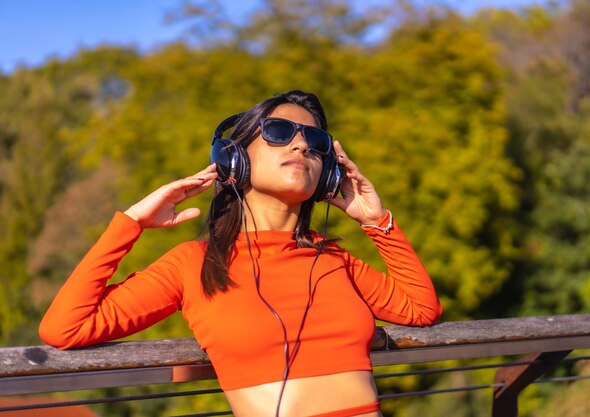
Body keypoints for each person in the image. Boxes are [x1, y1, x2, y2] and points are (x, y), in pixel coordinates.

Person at [40, 90, 443, 417]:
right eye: (280, 131)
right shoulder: (193, 265)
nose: (301, 143)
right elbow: (65, 329)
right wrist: (131, 222)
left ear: (328, 173)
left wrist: (377, 221)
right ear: (234, 159)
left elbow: (420, 310)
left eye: (315, 140)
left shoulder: (331, 258)